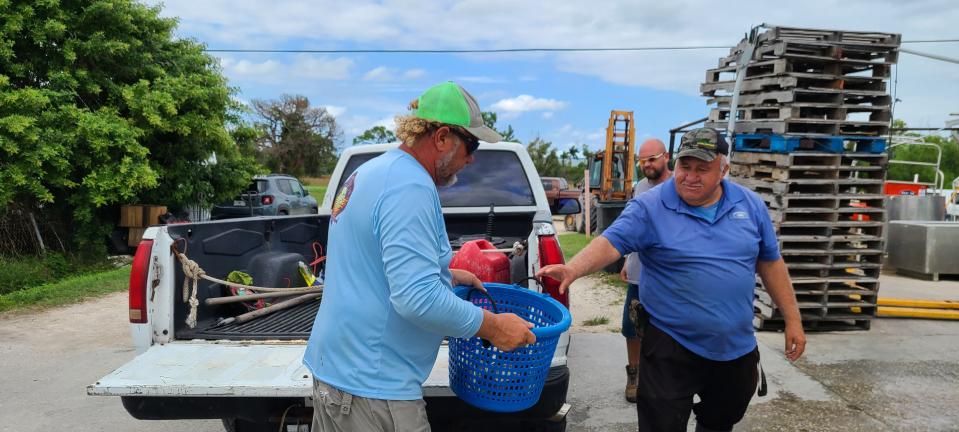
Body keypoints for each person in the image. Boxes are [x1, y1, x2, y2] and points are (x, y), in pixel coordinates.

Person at [303, 81, 536, 432]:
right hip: (373, 391)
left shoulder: (367, 173)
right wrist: (493, 328)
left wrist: (449, 275)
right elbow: (417, 299)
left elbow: (369, 260)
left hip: (338, 374)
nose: (471, 157)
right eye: (469, 144)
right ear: (441, 137)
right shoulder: (409, 186)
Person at [538, 128, 806, 432]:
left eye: (702, 169)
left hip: (733, 345)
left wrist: (793, 319)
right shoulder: (650, 206)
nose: (690, 177)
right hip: (671, 343)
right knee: (660, 423)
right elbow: (611, 242)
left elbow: (770, 262)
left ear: (723, 170)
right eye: (684, 166)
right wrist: (572, 269)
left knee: (723, 417)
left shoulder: (750, 205)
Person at [617, 138, 672, 403]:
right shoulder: (639, 187)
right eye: (642, 160)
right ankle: (634, 375)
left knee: (664, 328)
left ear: (666, 157)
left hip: (666, 276)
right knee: (632, 327)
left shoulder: (677, 187)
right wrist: (627, 259)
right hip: (639, 272)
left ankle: (663, 378)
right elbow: (631, 227)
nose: (646, 165)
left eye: (652, 159)